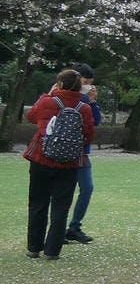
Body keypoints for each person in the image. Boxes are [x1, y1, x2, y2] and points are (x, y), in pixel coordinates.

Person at [24, 68, 96, 260]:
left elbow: (30, 116)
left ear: (60, 84)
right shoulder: (84, 108)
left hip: (41, 158)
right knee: (61, 206)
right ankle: (53, 250)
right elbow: (88, 135)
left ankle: (33, 247)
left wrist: (47, 94)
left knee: (38, 203)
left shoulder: (48, 101)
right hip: (70, 163)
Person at [65, 62, 104, 245]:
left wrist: (92, 101)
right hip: (63, 151)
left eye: (90, 83)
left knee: (87, 188)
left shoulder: (87, 100)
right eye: (84, 81)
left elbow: (95, 122)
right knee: (62, 190)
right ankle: (58, 228)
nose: (86, 86)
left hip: (81, 152)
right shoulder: (63, 96)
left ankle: (74, 226)